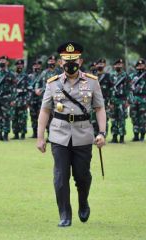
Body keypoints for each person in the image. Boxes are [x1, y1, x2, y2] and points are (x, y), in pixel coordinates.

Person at [37, 41, 106, 227]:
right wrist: (40, 137)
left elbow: (99, 108)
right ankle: (65, 215)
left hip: (83, 134)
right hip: (59, 134)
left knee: (82, 176)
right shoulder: (52, 84)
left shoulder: (92, 81)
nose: (70, 64)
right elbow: (44, 110)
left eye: (73, 60)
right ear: (60, 63)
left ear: (80, 61)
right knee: (60, 176)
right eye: (66, 61)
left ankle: (83, 202)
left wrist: (102, 132)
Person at [109, 58, 131, 143]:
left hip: (122, 100)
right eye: (117, 64)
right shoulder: (111, 75)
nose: (118, 66)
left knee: (122, 119)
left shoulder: (126, 76)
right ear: (114, 66)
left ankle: (122, 138)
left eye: (120, 64)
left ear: (122, 65)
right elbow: (109, 89)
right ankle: (114, 137)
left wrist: (128, 101)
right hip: (113, 100)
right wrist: (110, 102)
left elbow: (129, 89)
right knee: (113, 119)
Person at [11, 59, 30, 139]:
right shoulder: (12, 76)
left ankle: (22, 134)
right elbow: (10, 88)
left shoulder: (26, 76)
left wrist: (27, 101)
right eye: (18, 65)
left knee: (23, 118)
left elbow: (29, 89)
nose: (19, 66)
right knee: (14, 117)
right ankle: (15, 134)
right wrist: (11, 100)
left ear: (23, 66)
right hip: (14, 100)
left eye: (21, 64)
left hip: (23, 100)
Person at [130, 59, 146, 141]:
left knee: (143, 118)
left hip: (143, 99)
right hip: (134, 99)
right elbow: (129, 87)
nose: (140, 67)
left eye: (142, 65)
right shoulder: (133, 75)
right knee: (134, 117)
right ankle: (136, 135)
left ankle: (142, 136)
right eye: (138, 65)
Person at [28, 60, 43, 138]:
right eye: (34, 65)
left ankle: (41, 133)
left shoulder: (43, 75)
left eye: (37, 65)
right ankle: (34, 133)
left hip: (40, 99)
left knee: (41, 116)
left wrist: (40, 89)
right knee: (33, 116)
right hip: (32, 99)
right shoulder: (30, 76)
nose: (36, 67)